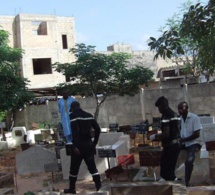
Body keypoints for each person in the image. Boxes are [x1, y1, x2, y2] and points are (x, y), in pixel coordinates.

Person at [64, 101, 101, 194]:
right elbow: (98, 129)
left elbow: (75, 132)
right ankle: (99, 186)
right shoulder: (89, 115)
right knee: (92, 167)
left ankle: (72, 189)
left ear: (72, 108)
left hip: (78, 146)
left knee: (74, 169)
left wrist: (75, 146)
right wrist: (94, 143)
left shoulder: (73, 116)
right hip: (89, 145)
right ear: (79, 106)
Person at [150, 96, 181, 181]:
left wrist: (155, 136)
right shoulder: (175, 115)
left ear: (163, 105)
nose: (158, 110)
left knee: (165, 171)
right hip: (176, 144)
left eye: (159, 107)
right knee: (169, 169)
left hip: (170, 146)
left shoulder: (166, 116)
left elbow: (166, 134)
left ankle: (173, 186)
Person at [178, 101, 203, 187]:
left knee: (189, 161)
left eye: (182, 108)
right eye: (179, 108)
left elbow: (197, 134)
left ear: (187, 108)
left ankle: (187, 182)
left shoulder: (194, 117)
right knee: (170, 151)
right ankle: (172, 177)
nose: (180, 110)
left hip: (194, 142)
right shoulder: (180, 119)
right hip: (184, 142)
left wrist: (184, 139)